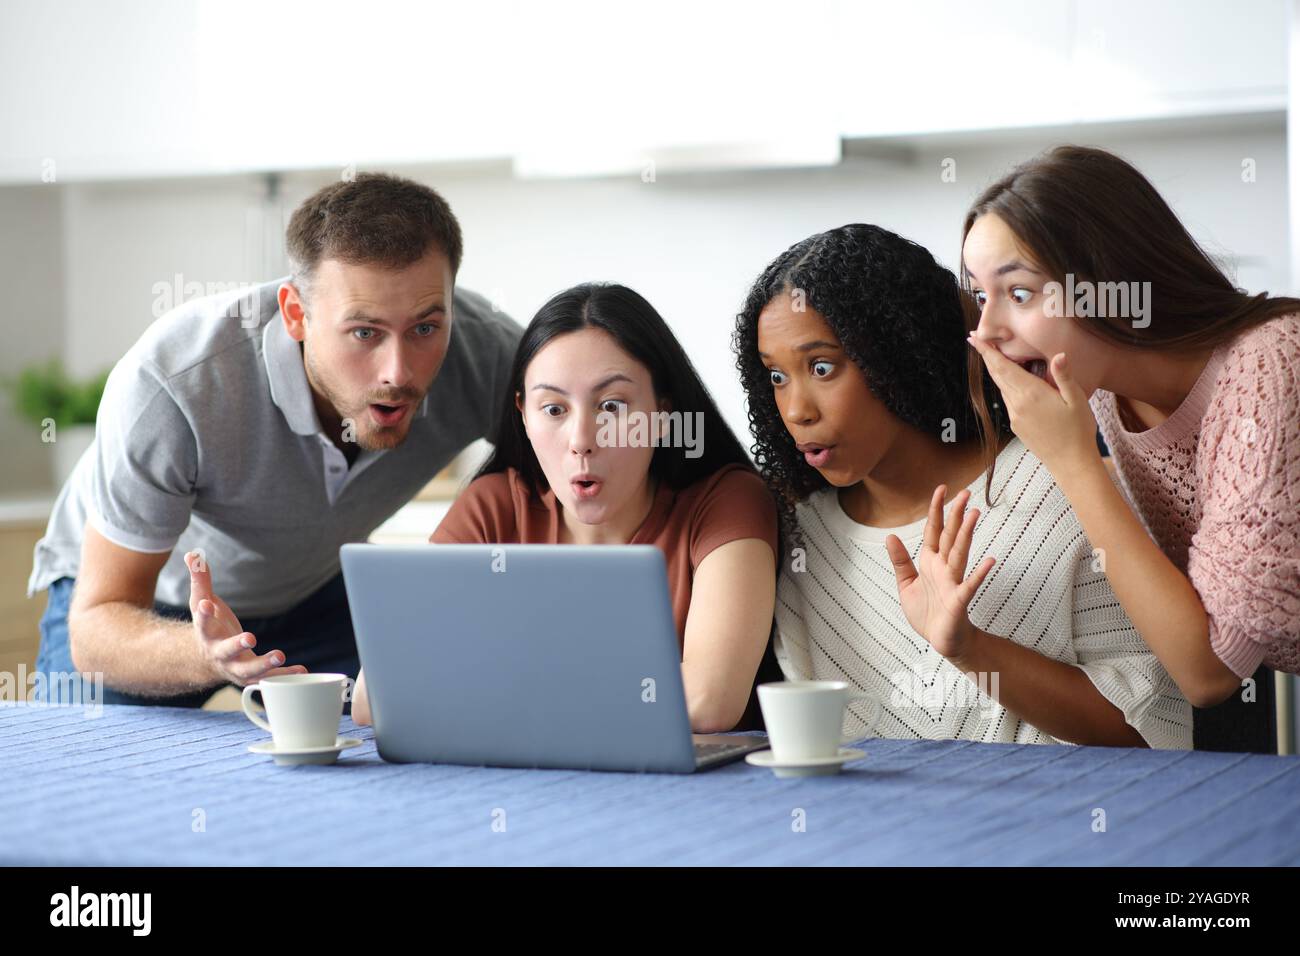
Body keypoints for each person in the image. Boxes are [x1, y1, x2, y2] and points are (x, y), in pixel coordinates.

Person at [29, 172, 521, 710]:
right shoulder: (175, 383)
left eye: (426, 328)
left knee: (420, 730)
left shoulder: (486, 352)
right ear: (296, 314)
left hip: (317, 593)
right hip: (143, 611)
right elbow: (99, 626)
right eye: (364, 333)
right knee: (94, 772)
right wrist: (207, 651)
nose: (398, 371)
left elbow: (583, 471)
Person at [734, 223, 1190, 747]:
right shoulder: (798, 536)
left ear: (896, 357)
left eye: (821, 367)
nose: (796, 410)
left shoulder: (1060, 488)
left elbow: (1148, 732)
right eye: (776, 376)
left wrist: (970, 648)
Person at [353, 283, 779, 732]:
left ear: (662, 413)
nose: (581, 441)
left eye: (612, 406)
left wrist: (490, 692)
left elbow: (707, 702)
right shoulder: (495, 508)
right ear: (523, 415)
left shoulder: (727, 502)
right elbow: (376, 695)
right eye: (554, 409)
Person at [963, 145, 1300, 711]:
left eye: (1018, 293)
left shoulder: (1271, 369)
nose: (987, 330)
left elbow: (1210, 673)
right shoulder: (1103, 395)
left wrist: (1072, 462)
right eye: (980, 295)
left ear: (1110, 281)